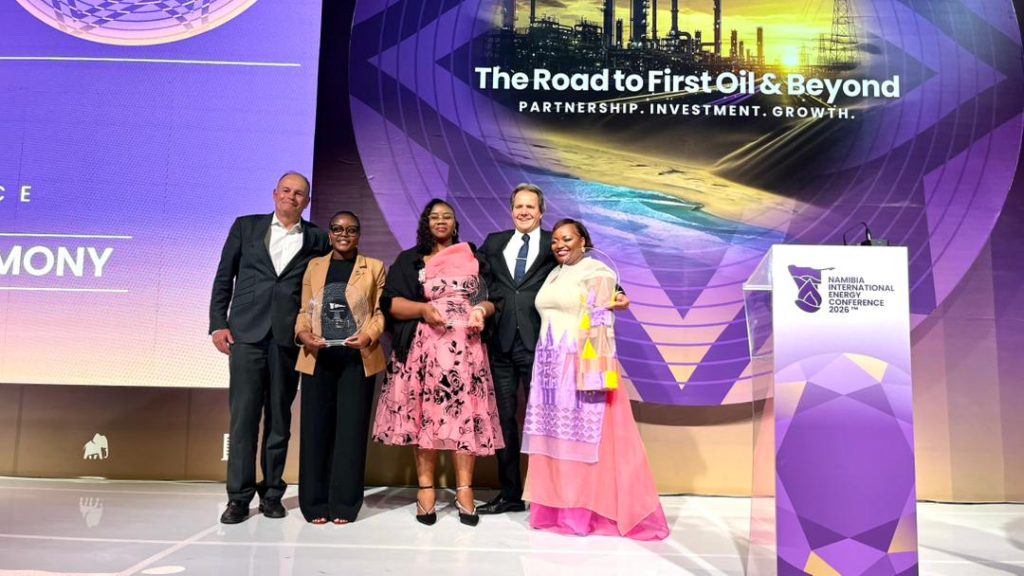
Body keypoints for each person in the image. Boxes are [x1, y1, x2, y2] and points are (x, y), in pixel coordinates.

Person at [476, 184, 628, 516]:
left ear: (541, 212)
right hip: (502, 344)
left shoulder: (555, 243)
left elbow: (591, 272)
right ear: (511, 210)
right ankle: (511, 493)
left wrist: (618, 293)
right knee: (505, 420)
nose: (524, 212)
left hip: (544, 350)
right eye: (519, 206)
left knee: (550, 424)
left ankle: (551, 496)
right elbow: (478, 278)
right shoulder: (494, 243)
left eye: (530, 206)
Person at [522, 218, 669, 540]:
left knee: (584, 443)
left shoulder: (597, 271)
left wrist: (593, 373)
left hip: (579, 367)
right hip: (548, 368)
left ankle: (585, 513)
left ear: (583, 241)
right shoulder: (555, 272)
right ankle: (558, 509)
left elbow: (601, 322)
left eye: (567, 239)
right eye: (555, 240)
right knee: (557, 441)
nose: (559, 245)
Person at [372, 199, 504, 527]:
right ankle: (426, 490)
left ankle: (464, 491)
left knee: (465, 418)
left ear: (455, 223)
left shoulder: (474, 257)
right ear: (426, 223)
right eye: (435, 217)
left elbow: (491, 298)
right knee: (425, 418)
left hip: (466, 351)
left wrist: (480, 310)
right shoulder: (410, 260)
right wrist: (422, 310)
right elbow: (391, 303)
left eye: (447, 216)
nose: (441, 221)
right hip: (424, 353)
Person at [209, 171, 330, 524]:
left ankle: (272, 493)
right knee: (243, 420)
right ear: (275, 193)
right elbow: (224, 276)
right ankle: (238, 498)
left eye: (299, 193)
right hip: (246, 334)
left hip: (287, 337)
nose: (291, 197)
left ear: (307, 201)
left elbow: (323, 287)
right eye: (286, 190)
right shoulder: (246, 227)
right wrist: (218, 323)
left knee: (279, 419)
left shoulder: (317, 238)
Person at [294, 211, 386, 524]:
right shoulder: (314, 266)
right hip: (318, 356)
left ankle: (345, 504)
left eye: (351, 229)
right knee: (315, 431)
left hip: (356, 359)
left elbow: (379, 313)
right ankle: (314, 503)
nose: (344, 234)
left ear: (359, 234)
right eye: (337, 229)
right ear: (330, 234)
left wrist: (369, 335)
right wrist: (303, 334)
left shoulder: (373, 267)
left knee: (350, 433)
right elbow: (304, 311)